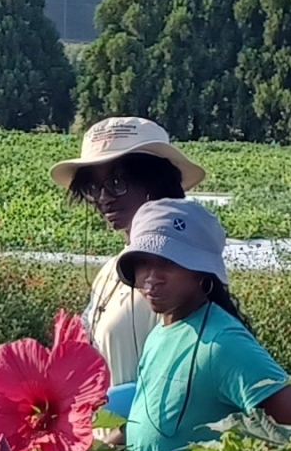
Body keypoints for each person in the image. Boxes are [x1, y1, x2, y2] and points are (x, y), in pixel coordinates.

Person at [117, 200, 291, 451]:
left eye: (168, 262)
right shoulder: (160, 333)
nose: (153, 276)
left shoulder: (223, 344)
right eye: (142, 262)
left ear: (201, 272)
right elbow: (146, 419)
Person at [51, 117, 205, 388]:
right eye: (93, 188)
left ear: (156, 183)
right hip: (108, 429)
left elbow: (183, 383)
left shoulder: (178, 273)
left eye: (118, 183)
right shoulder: (111, 270)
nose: (103, 198)